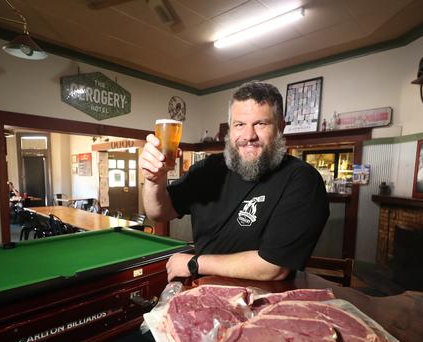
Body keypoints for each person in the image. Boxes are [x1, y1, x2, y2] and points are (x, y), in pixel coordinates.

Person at [139, 81, 330, 282]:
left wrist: (194, 263)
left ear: (281, 127)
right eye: (240, 124)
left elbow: (273, 267)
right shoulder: (207, 169)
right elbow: (158, 212)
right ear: (230, 129)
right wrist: (154, 180)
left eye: (261, 124)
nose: (249, 136)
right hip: (201, 294)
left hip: (262, 302)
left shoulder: (301, 179)